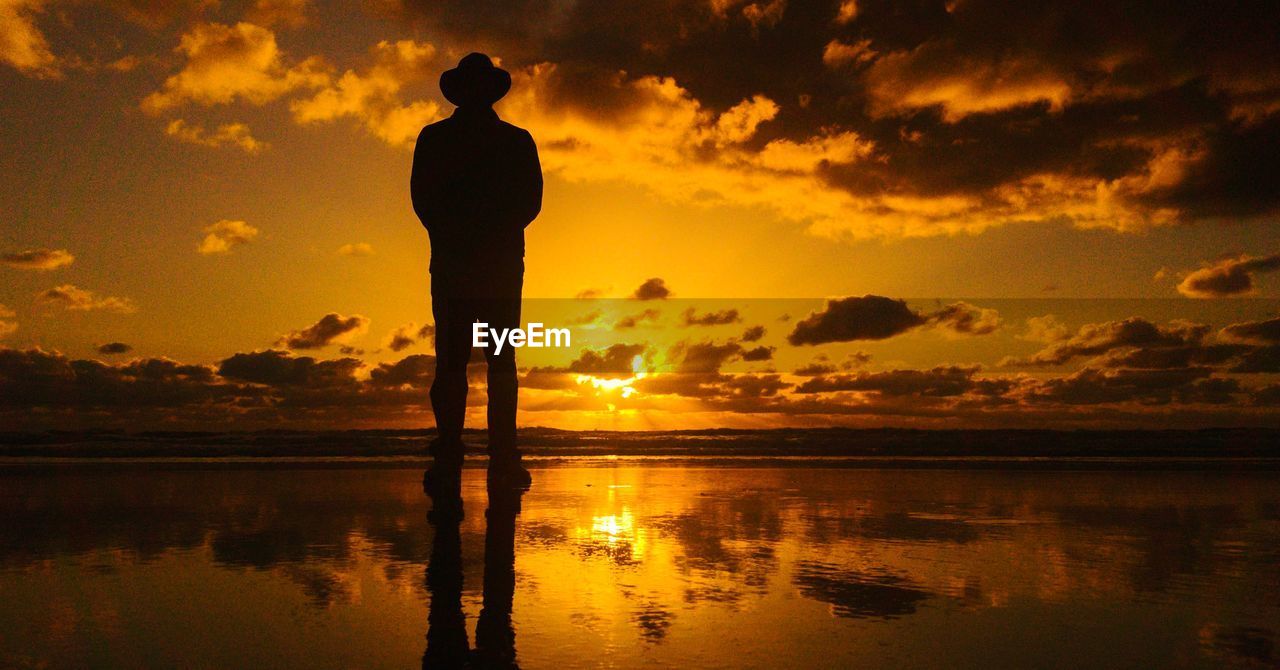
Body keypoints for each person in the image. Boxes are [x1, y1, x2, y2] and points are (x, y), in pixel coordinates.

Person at [411, 53, 542, 492]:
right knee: (468, 360)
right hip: (476, 264)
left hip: (483, 264)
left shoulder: (512, 140)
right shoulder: (442, 139)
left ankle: (490, 452)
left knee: (480, 360)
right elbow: (424, 200)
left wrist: (470, 234)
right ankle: (469, 449)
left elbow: (529, 203)